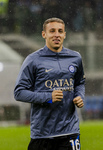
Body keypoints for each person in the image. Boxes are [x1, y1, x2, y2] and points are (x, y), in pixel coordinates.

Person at [14, 17, 86, 150]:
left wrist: (79, 96)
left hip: (70, 132)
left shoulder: (75, 58)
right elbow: (19, 93)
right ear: (44, 34)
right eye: (52, 31)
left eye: (60, 31)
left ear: (65, 34)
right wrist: (48, 97)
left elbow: (80, 82)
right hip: (42, 134)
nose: (56, 34)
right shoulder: (33, 60)